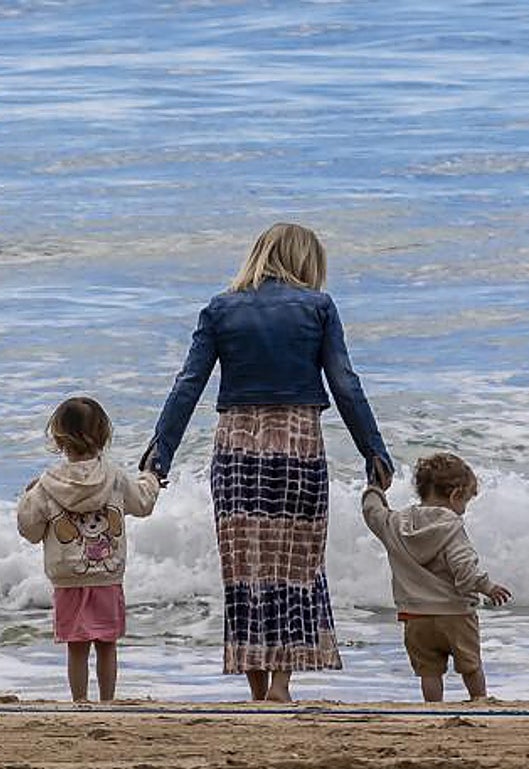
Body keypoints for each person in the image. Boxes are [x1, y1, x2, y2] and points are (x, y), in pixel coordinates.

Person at [142, 222, 394, 702]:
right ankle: (282, 685)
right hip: (297, 441)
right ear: (305, 261)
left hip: (235, 444)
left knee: (246, 566)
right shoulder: (318, 307)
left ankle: (258, 686)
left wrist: (161, 452)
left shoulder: (220, 308)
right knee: (296, 564)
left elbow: (188, 384)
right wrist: (373, 450)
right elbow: (345, 383)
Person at [17, 396, 161, 702]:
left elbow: (29, 530)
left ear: (58, 438)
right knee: (107, 644)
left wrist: (27, 495)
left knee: (77, 645)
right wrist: (152, 477)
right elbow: (143, 503)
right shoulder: (115, 477)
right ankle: (107, 700)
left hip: (68, 578)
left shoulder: (46, 485)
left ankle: (79, 701)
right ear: (104, 436)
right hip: (107, 574)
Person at [361, 451, 512, 702]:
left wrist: (375, 487)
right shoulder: (451, 527)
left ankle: (433, 709)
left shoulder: (396, 523)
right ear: (455, 495)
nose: (463, 510)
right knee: (471, 666)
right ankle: (480, 702)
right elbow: (463, 568)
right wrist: (487, 586)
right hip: (456, 615)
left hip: (415, 617)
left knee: (429, 672)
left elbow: (372, 512)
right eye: (465, 501)